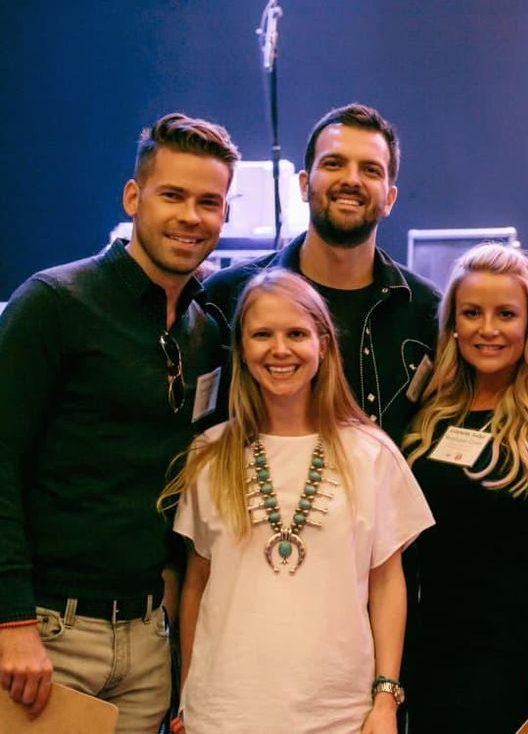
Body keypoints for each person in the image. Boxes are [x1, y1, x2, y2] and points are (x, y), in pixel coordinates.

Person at [0, 113, 238, 731]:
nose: (190, 216)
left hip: (147, 642)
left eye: (208, 202)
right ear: (134, 197)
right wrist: (12, 620)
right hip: (46, 635)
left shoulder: (206, 333)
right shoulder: (54, 303)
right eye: (172, 196)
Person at [160, 269, 433, 733]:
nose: (279, 349)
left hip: (338, 712)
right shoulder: (211, 452)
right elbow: (196, 584)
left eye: (296, 334)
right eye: (262, 335)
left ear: (323, 345)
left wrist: (385, 699)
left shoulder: (371, 453)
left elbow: (387, 583)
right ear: (241, 349)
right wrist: (186, 697)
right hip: (224, 710)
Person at [401, 243, 528, 733]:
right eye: (472, 313)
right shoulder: (425, 416)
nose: (487, 329)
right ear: (452, 324)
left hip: (519, 651)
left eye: (505, 314)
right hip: (431, 653)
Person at [204, 102, 440, 440]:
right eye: (334, 164)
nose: (351, 180)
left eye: (370, 170)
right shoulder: (225, 298)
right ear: (304, 185)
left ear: (389, 198)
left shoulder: (427, 313)